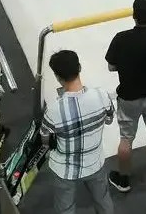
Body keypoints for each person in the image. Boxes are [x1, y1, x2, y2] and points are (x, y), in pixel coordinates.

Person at [105, 0, 146, 193]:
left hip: (129, 96)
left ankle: (124, 180)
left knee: (126, 139)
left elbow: (111, 66)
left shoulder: (121, 38)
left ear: (134, 14)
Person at [40, 50, 115, 214]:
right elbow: (109, 119)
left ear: (57, 77)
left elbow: (45, 140)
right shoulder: (102, 96)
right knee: (103, 201)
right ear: (79, 67)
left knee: (65, 209)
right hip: (95, 163)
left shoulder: (53, 110)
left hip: (64, 170)